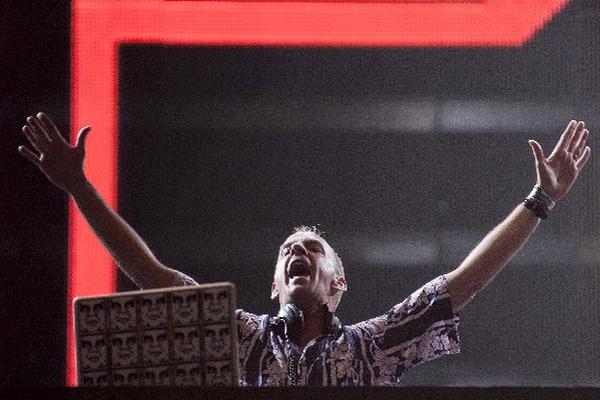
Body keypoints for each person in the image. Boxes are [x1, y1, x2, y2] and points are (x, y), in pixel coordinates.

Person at [19, 113, 591, 386]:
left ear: (337, 283)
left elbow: (464, 281)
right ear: (274, 285)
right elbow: (149, 273)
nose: (298, 250)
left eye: (313, 249)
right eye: (288, 248)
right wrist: (79, 188)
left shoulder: (373, 349)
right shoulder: (241, 338)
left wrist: (541, 198)